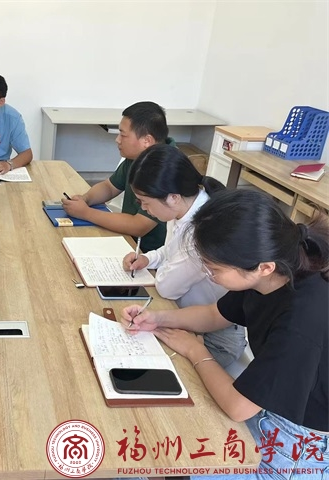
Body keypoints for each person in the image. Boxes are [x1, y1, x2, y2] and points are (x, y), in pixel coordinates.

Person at [120, 189, 328, 479]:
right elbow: (215, 314)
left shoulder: (301, 320)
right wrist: (157, 318)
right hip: (269, 407)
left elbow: (238, 407)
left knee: (157, 459)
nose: (209, 274)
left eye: (214, 269)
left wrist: (195, 350)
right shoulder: (272, 271)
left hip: (297, 445)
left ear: (263, 268)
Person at [122, 144, 246, 367]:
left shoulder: (201, 229)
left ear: (173, 197)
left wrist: (163, 268)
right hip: (185, 315)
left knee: (146, 361)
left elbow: (166, 287)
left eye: (145, 203)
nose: (144, 209)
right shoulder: (183, 209)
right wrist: (148, 259)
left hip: (216, 337)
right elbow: (170, 251)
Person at [62, 101, 173, 252]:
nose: (117, 140)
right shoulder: (137, 157)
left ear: (147, 141)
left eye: (123, 135)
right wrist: (85, 199)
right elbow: (109, 187)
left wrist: (86, 213)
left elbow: (139, 226)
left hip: (150, 253)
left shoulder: (166, 169)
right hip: (128, 239)